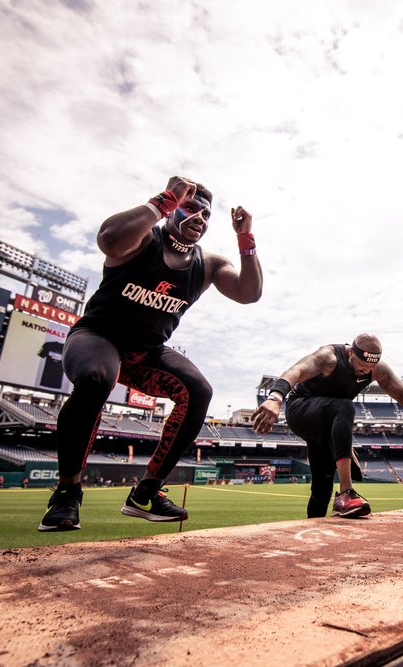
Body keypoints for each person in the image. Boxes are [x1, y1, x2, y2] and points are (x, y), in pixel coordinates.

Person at [38, 176, 263, 531]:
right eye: (190, 208)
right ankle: (67, 493)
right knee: (98, 378)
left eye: (205, 214)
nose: (199, 218)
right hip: (98, 337)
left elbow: (249, 293)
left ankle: (146, 492)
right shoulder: (142, 239)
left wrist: (245, 238)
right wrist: (165, 199)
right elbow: (109, 239)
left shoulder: (207, 264)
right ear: (172, 209)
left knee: (199, 391)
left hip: (147, 353)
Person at [251, 334, 403, 518]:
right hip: (301, 411)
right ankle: (346, 491)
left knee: (322, 487)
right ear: (351, 353)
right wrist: (275, 397)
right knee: (345, 406)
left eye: (371, 367)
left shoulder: (377, 369)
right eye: (362, 365)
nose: (366, 371)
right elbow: (297, 370)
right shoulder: (329, 357)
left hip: (328, 422)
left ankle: (311, 533)